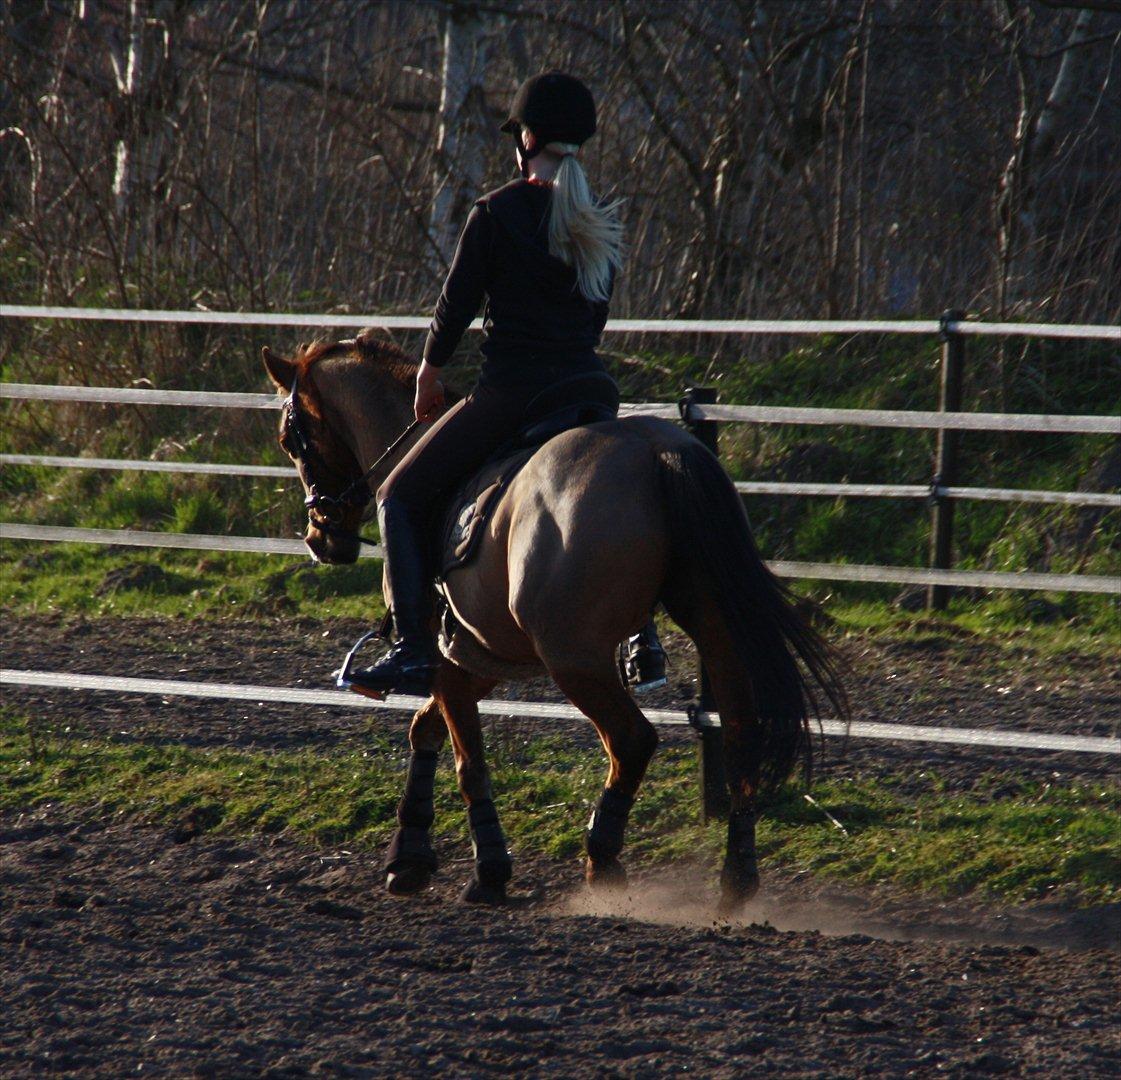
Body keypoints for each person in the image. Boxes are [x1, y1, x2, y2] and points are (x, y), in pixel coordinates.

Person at [345, 71, 665, 697]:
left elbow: (454, 307)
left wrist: (429, 376)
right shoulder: (598, 224)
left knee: (398, 498)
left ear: (528, 139)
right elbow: (593, 320)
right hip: (591, 393)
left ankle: (412, 653)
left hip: (515, 392)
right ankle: (641, 639)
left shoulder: (496, 213)